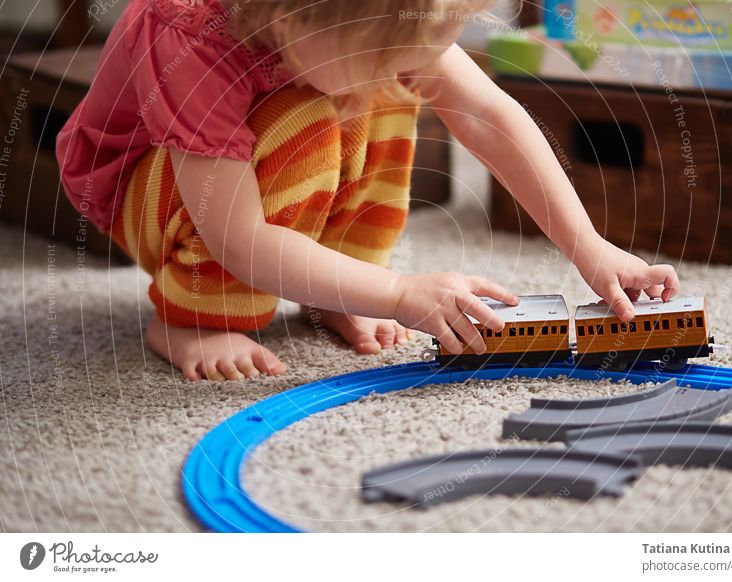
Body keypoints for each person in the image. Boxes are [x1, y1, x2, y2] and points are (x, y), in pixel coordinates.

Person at [56, 0, 679, 381]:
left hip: (248, 160)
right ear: (289, 15)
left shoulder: (370, 21)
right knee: (303, 121)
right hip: (147, 188)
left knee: (380, 93)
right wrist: (401, 293)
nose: (407, 66)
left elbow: (490, 114)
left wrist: (588, 245)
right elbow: (238, 235)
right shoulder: (189, 34)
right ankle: (193, 314)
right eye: (387, 52)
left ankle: (337, 280)